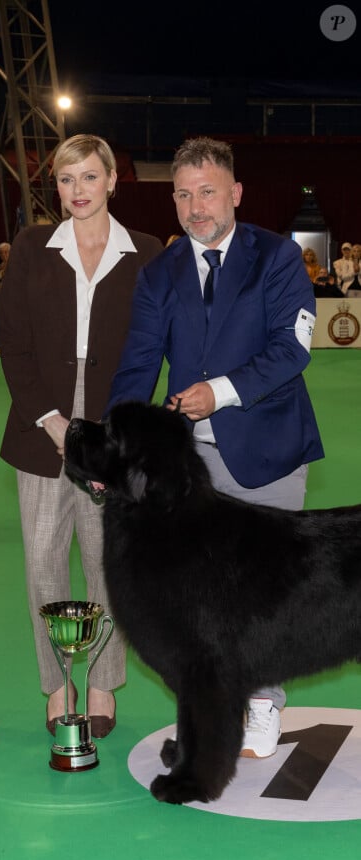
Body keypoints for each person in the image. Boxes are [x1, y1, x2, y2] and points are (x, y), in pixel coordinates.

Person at [105, 136, 324, 759]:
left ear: (235, 193)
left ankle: (263, 705)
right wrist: (114, 444)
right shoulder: (159, 274)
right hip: (188, 469)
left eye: (207, 192)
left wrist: (222, 392)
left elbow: (293, 348)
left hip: (268, 451)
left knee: (265, 590)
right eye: (182, 193)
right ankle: (211, 707)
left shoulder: (278, 258)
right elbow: (138, 366)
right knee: (198, 596)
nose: (195, 207)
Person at [0, 133, 163, 738]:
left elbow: (151, 348)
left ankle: (100, 683)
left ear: (113, 179)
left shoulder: (145, 254)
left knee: (107, 564)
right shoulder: (31, 246)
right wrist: (49, 420)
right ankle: (56, 684)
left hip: (113, 437)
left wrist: (118, 436)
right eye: (66, 180)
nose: (77, 191)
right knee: (44, 564)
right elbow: (12, 344)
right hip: (40, 429)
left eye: (89, 178)